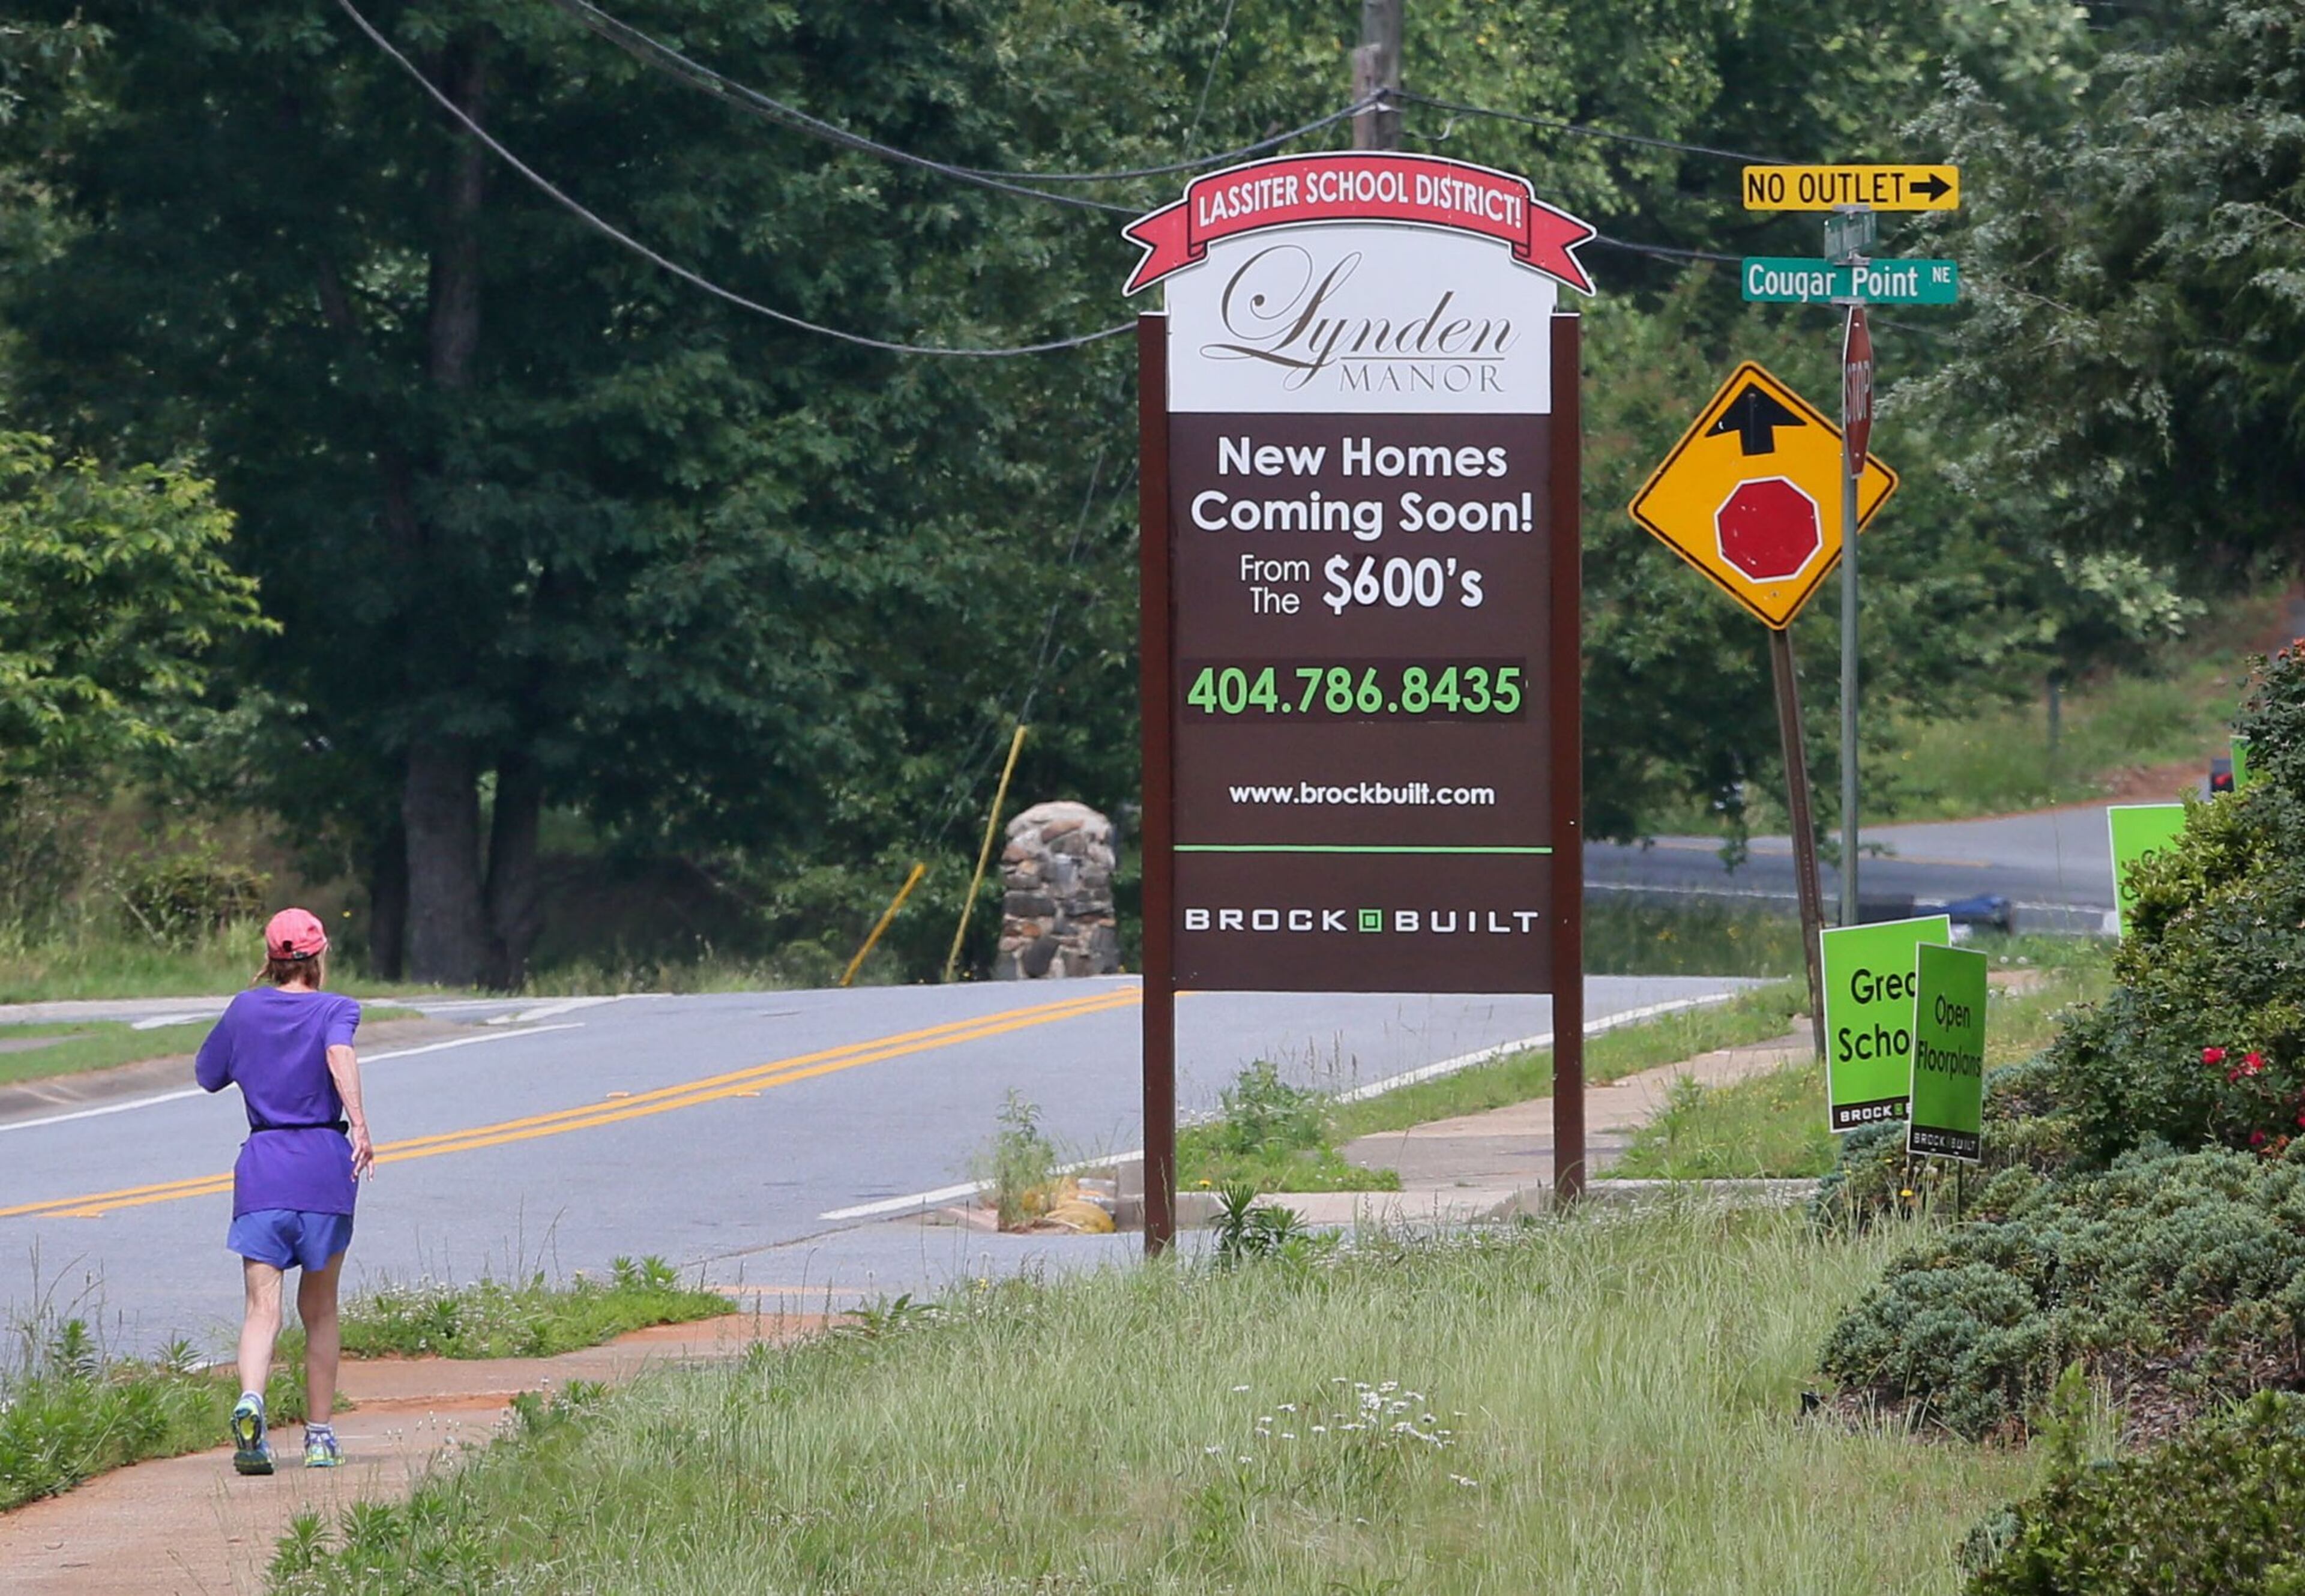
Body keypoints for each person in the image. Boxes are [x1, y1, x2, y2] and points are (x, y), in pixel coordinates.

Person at [194, 907, 374, 1475]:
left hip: (264, 1168)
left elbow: (208, 1073)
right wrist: (360, 1123)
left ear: (270, 958)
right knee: (319, 1310)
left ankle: (251, 1403)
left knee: (261, 1309)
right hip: (324, 1165)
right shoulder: (337, 1008)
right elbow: (338, 1052)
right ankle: (319, 1436)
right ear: (319, 957)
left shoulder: (245, 1009)